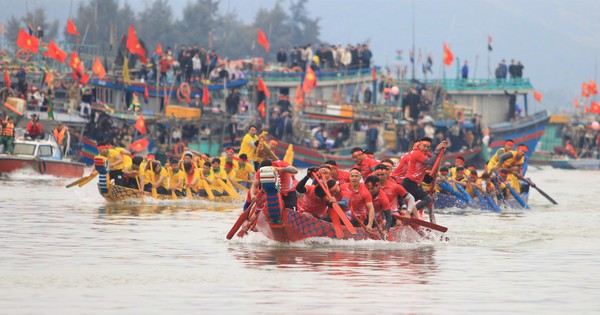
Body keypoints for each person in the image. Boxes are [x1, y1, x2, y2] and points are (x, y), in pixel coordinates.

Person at [400, 137, 447, 219]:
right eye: (424, 146)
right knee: (428, 199)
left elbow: (435, 160)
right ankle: (410, 213)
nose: (426, 149)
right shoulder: (416, 153)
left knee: (419, 199)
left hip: (415, 183)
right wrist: (437, 150)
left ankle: (410, 213)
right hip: (410, 182)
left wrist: (440, 152)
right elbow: (430, 162)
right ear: (419, 145)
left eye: (428, 147)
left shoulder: (425, 153)